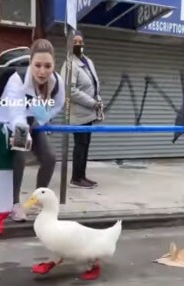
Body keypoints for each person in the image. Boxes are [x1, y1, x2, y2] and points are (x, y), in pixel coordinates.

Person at [0, 39, 65, 222]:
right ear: (31, 63)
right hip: (8, 119)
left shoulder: (56, 81)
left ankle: (38, 201)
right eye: (38, 65)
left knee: (49, 157)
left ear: (54, 65)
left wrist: (41, 117)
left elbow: (58, 104)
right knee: (19, 154)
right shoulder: (16, 80)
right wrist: (23, 133)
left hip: (32, 120)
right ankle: (14, 204)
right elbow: (15, 113)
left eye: (47, 66)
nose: (42, 71)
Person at [60, 31, 102, 189]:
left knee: (85, 144)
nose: (79, 44)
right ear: (70, 45)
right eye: (75, 42)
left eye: (80, 41)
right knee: (80, 144)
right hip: (78, 113)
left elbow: (94, 84)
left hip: (89, 113)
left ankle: (82, 176)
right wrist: (92, 103)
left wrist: (98, 100)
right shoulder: (69, 64)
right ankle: (76, 178)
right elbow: (69, 90)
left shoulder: (88, 61)